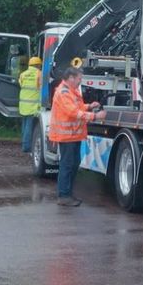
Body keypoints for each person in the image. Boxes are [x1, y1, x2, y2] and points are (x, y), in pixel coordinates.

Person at [49, 67, 106, 206]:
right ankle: (63, 195)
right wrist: (95, 116)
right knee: (67, 165)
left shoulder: (71, 91)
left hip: (73, 136)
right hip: (67, 137)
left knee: (73, 164)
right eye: (79, 78)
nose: (81, 81)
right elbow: (73, 112)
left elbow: (78, 107)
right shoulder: (64, 92)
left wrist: (89, 106)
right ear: (71, 78)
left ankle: (67, 194)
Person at [18, 56, 43, 152]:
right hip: (33, 106)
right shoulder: (39, 74)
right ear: (38, 65)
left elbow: (21, 84)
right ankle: (27, 147)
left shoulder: (22, 75)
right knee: (29, 127)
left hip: (23, 105)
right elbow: (41, 88)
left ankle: (24, 144)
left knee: (24, 126)